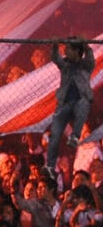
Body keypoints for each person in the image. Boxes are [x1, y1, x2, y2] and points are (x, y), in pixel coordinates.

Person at [46, 36, 95, 177]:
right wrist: (55, 47)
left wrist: (86, 47)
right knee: (56, 129)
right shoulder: (65, 64)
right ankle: (50, 165)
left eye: (68, 48)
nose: (65, 50)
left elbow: (91, 61)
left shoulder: (85, 65)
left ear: (75, 51)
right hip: (66, 101)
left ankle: (75, 136)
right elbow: (56, 59)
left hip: (80, 99)